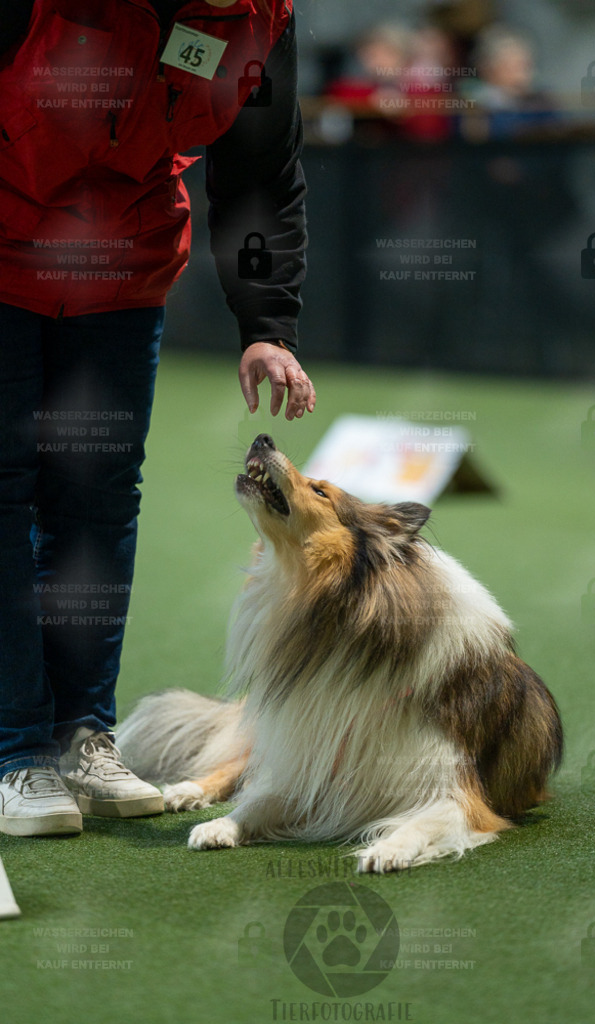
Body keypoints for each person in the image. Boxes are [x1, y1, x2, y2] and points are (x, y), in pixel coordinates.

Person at [0, 0, 315, 837]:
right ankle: (15, 753)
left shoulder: (262, 17)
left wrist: (266, 325)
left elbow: (257, 170)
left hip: (121, 272)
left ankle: (81, 738)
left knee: (97, 497)